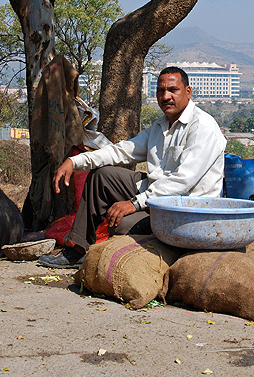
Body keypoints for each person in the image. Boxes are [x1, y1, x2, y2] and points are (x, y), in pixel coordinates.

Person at [38, 66, 227, 268]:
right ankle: (77, 250)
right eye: (161, 91)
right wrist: (75, 162)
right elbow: (122, 151)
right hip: (157, 196)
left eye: (173, 90)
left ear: (188, 92)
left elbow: (183, 183)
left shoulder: (202, 126)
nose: (166, 96)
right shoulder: (160, 126)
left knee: (119, 224)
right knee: (102, 176)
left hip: (186, 209)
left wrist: (134, 204)